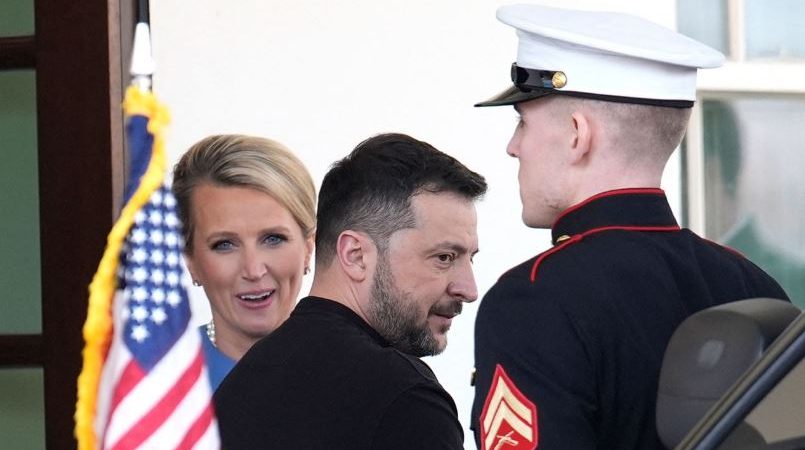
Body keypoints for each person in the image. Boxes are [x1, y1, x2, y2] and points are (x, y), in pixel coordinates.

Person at [470, 5, 790, 450]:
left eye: (522, 121)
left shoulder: (533, 299)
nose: (513, 146)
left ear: (577, 135)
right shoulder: (755, 286)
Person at [214, 133, 487, 449]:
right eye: (444, 257)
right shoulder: (404, 399)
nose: (469, 289)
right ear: (356, 255)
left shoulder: (241, 386)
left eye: (470, 258)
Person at [172, 134, 316, 390]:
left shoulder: (364, 374)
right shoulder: (157, 384)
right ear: (190, 261)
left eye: (273, 239)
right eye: (224, 244)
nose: (253, 270)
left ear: (308, 247)